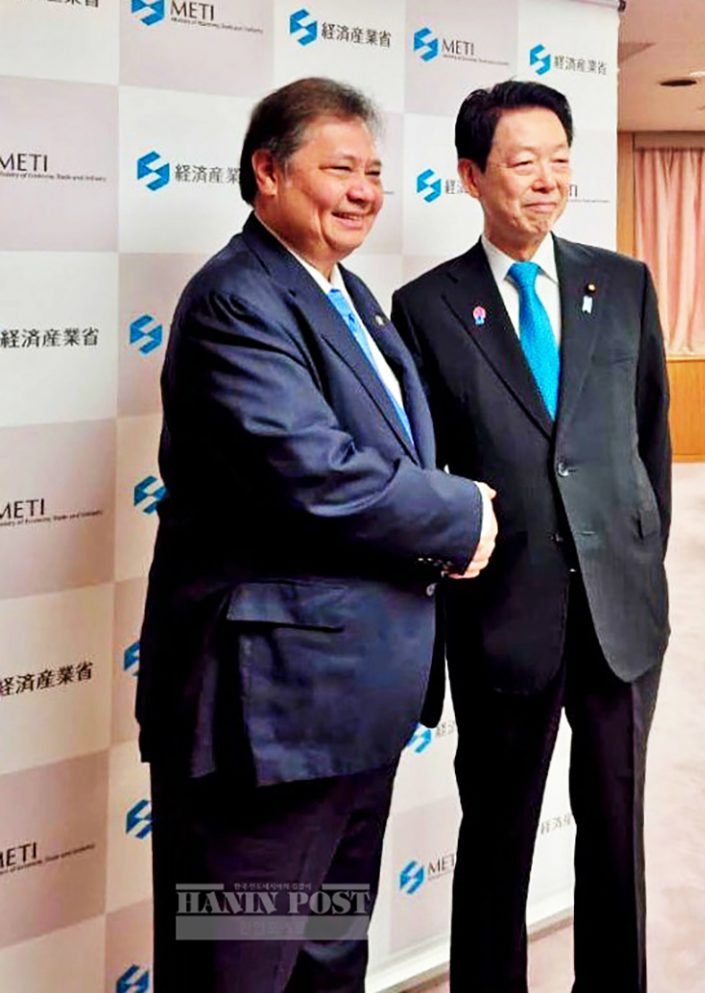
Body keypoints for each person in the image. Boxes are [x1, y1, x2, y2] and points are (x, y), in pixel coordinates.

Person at [136, 76, 497, 993]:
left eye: (373, 171)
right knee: (240, 964)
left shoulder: (347, 293)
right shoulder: (237, 298)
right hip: (270, 720)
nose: (364, 191)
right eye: (340, 169)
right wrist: (462, 513)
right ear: (267, 171)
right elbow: (312, 471)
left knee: (327, 955)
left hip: (351, 706)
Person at [391, 79, 671, 993]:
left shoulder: (621, 284)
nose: (547, 179)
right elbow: (426, 473)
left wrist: (639, 560)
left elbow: (650, 442)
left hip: (620, 614)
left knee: (618, 831)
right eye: (523, 162)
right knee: (497, 838)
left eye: (559, 159)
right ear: (472, 176)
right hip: (502, 615)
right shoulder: (426, 306)